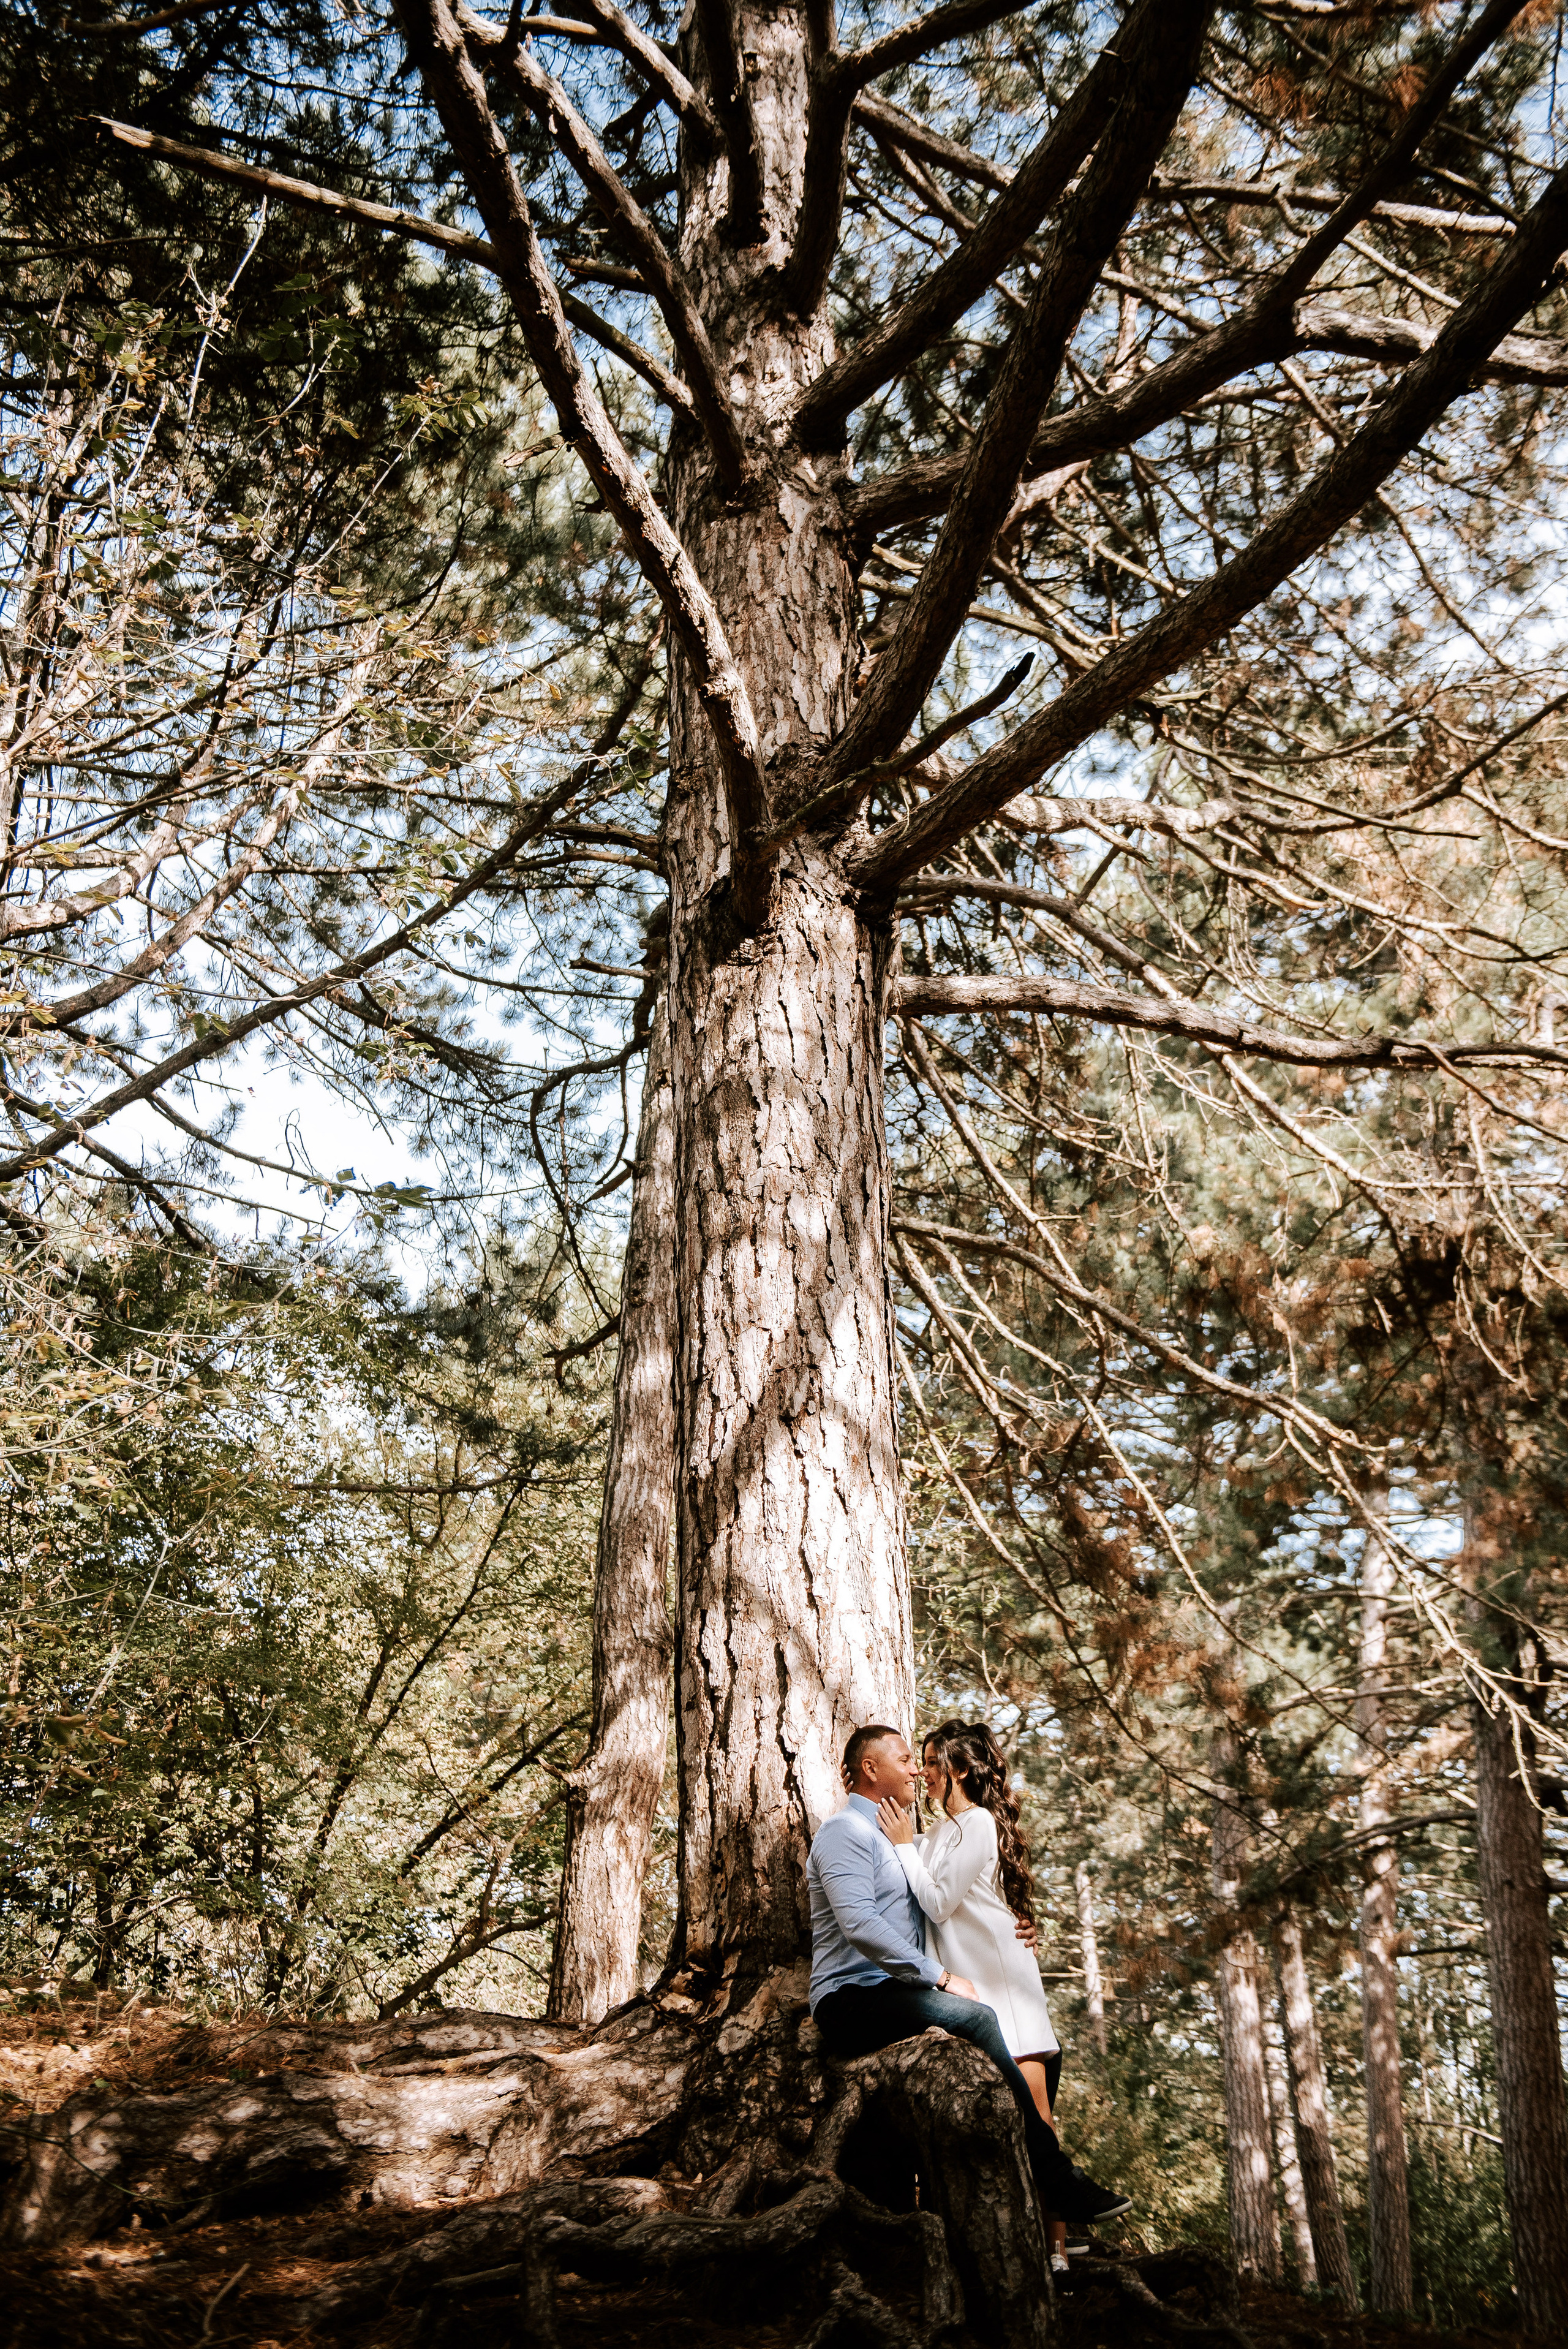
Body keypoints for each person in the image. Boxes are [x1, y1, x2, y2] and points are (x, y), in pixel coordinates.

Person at [807, 1722, 1132, 2235]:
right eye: (906, 1758)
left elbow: (955, 1890)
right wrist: (939, 1977)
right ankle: (1060, 2181)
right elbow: (860, 1925)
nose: (916, 1768)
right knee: (978, 2021)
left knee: (1017, 2059)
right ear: (871, 1769)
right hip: (852, 1996)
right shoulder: (845, 1832)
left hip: (893, 1992)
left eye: (925, 1761)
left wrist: (1018, 1920)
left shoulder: (900, 1837)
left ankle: (1042, 2222)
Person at [877, 1720, 1075, 2274]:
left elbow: (938, 1903)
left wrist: (903, 1847)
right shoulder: (936, 1835)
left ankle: (1059, 2250)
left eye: (934, 1762)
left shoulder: (982, 1823)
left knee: (1037, 2115)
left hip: (1006, 1987)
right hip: (968, 1992)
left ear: (961, 1769)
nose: (924, 1770)